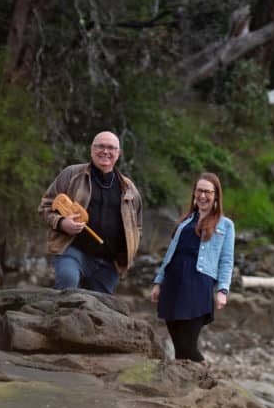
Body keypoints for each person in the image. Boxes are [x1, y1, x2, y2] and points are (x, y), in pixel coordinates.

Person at [38, 131, 142, 294]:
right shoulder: (72, 174)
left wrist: (128, 253)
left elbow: (137, 227)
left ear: (118, 153)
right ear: (91, 149)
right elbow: (45, 207)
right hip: (72, 251)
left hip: (109, 264)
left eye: (111, 148)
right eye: (100, 146)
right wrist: (62, 223)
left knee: (99, 313)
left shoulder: (129, 188)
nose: (105, 151)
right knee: (68, 283)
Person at [150, 172, 234, 362]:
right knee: (179, 347)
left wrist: (223, 290)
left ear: (216, 195)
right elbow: (170, 254)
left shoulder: (226, 225)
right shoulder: (185, 221)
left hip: (198, 284)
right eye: (199, 191)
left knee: (188, 345)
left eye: (207, 192)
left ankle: (206, 380)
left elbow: (227, 260)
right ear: (194, 193)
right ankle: (184, 387)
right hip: (173, 282)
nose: (202, 196)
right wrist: (158, 282)